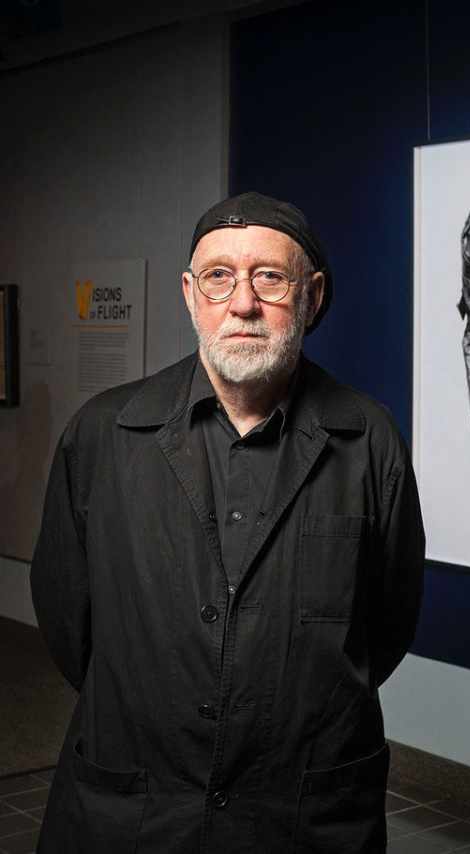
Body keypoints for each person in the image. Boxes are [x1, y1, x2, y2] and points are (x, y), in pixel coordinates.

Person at [30, 192, 425, 853]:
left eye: (269, 276)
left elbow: (387, 623)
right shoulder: (105, 432)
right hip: (135, 804)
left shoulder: (367, 438)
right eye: (219, 276)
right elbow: (70, 621)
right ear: (191, 294)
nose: (242, 302)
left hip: (301, 807)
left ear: (312, 296)